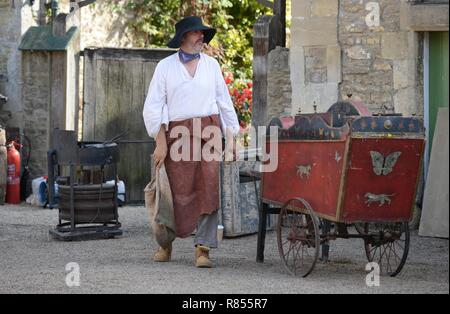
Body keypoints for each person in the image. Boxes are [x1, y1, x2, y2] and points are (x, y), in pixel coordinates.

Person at [143, 16, 240, 268]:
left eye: (202, 33)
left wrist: (231, 140)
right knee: (171, 191)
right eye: (196, 33)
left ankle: (203, 249)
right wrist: (160, 142)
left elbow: (224, 104)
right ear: (183, 37)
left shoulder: (211, 66)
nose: (201, 37)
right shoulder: (165, 67)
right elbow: (155, 107)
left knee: (209, 190)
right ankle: (165, 244)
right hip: (175, 136)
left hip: (208, 134)